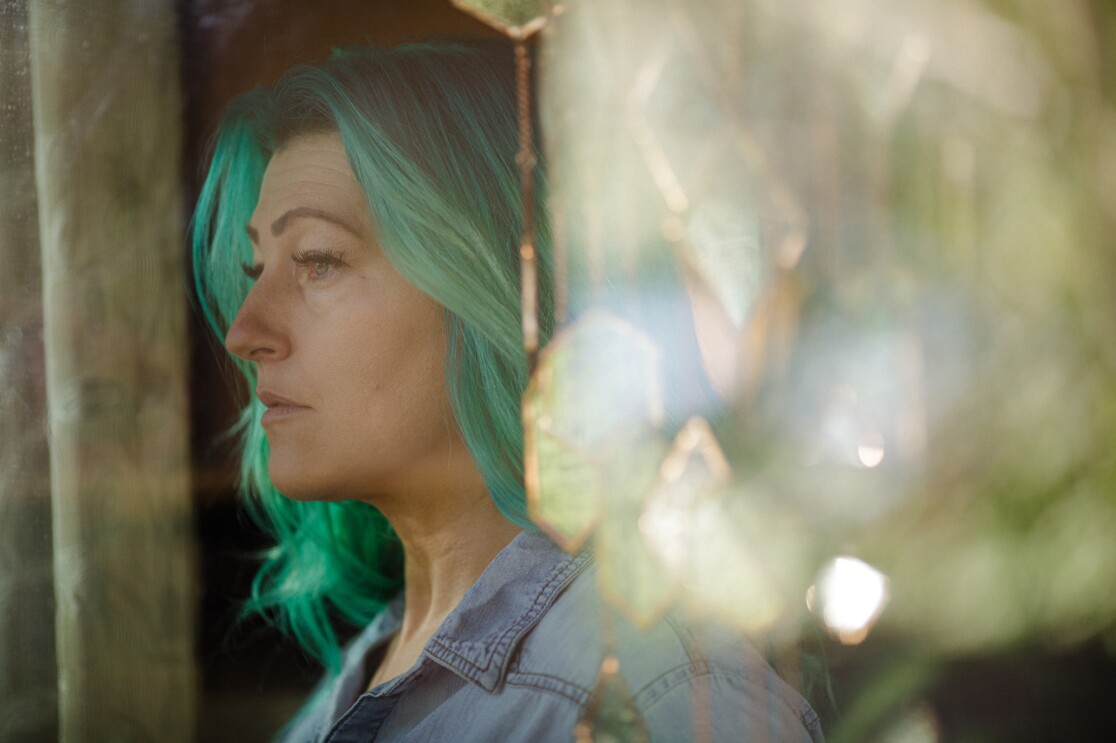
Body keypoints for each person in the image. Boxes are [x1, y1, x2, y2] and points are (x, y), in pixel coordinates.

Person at [193, 40, 824, 742]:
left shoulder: (651, 699)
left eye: (317, 260)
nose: (245, 331)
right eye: (256, 268)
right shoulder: (374, 669)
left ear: (486, 284)